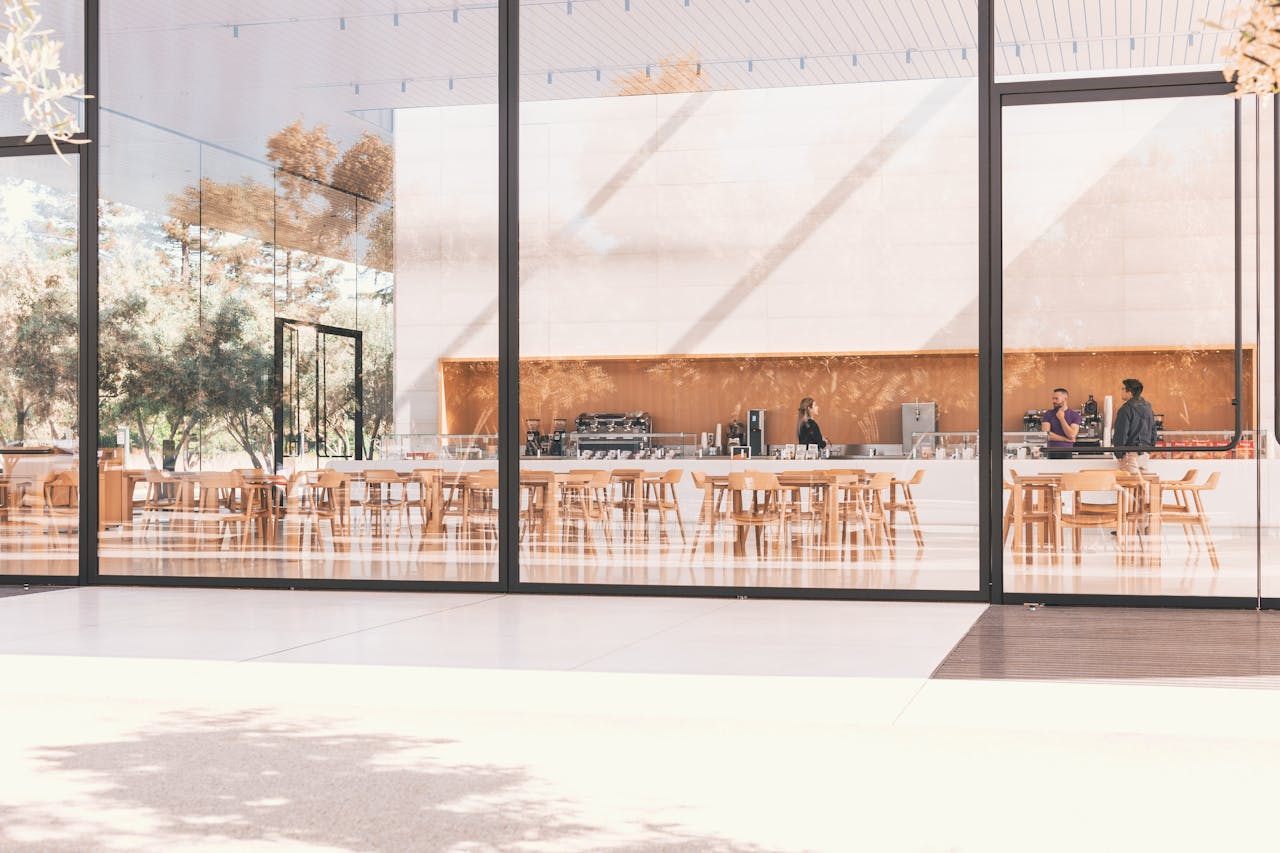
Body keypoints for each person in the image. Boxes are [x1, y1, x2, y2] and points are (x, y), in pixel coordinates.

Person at [1113, 377, 1157, 473]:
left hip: (1131, 454)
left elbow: (1121, 433)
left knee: (1129, 481)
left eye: (1123, 389)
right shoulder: (1148, 408)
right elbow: (1153, 431)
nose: (1121, 392)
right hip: (1145, 454)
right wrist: (1149, 449)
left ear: (1129, 392)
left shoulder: (1126, 409)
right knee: (1143, 481)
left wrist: (1119, 453)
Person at [1041, 387, 1081, 460]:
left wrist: (1061, 418)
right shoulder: (1048, 414)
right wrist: (1066, 439)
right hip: (1050, 452)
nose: (1054, 401)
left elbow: (1072, 435)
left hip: (1067, 452)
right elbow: (1046, 435)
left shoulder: (1075, 415)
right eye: (1053, 398)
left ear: (1065, 399)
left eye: (1056, 399)